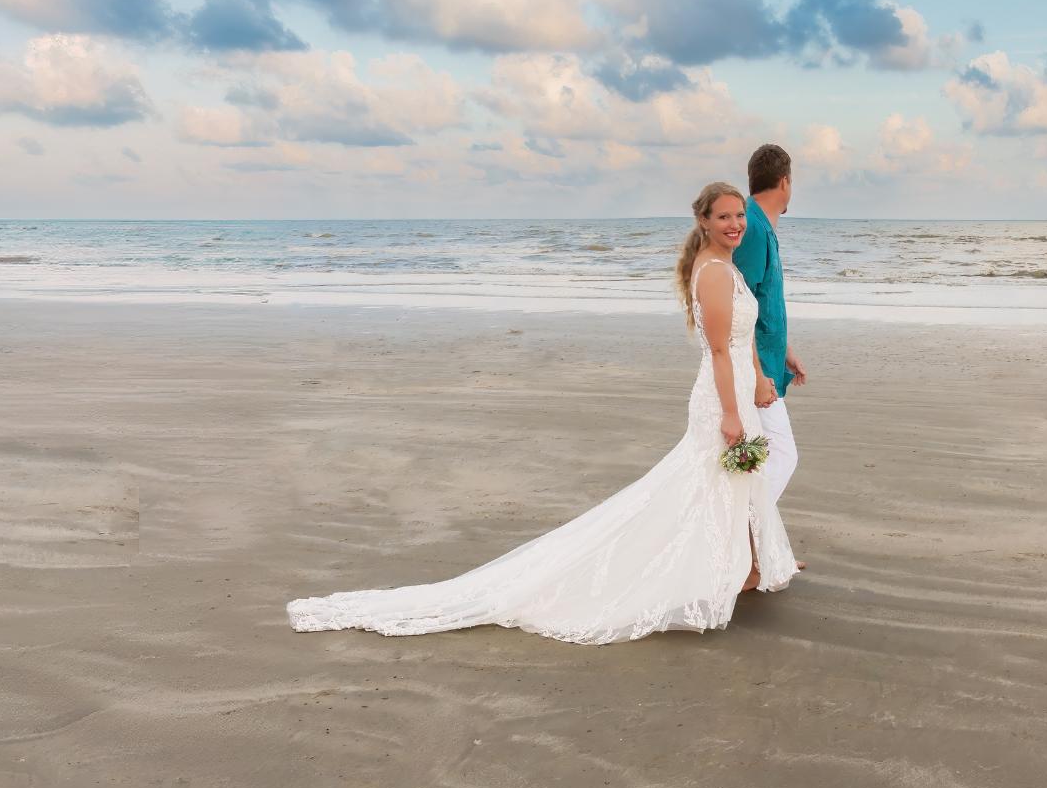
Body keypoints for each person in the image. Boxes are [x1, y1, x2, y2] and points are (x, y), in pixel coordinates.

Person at [286, 183, 797, 644]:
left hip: (738, 390)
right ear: (704, 221)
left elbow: (742, 336)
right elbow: (719, 350)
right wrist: (732, 413)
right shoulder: (710, 272)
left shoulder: (726, 266)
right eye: (725, 217)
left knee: (737, 483)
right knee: (710, 483)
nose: (735, 225)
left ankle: (747, 569)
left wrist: (763, 379)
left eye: (740, 217)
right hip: (719, 398)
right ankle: (718, 570)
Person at [732, 142, 807, 506]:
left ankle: (759, 546)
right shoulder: (753, 229)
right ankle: (745, 538)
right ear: (785, 182)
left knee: (757, 461)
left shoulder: (761, 225)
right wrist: (758, 375)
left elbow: (764, 301)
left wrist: (786, 349)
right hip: (755, 368)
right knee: (782, 456)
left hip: (768, 361)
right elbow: (737, 306)